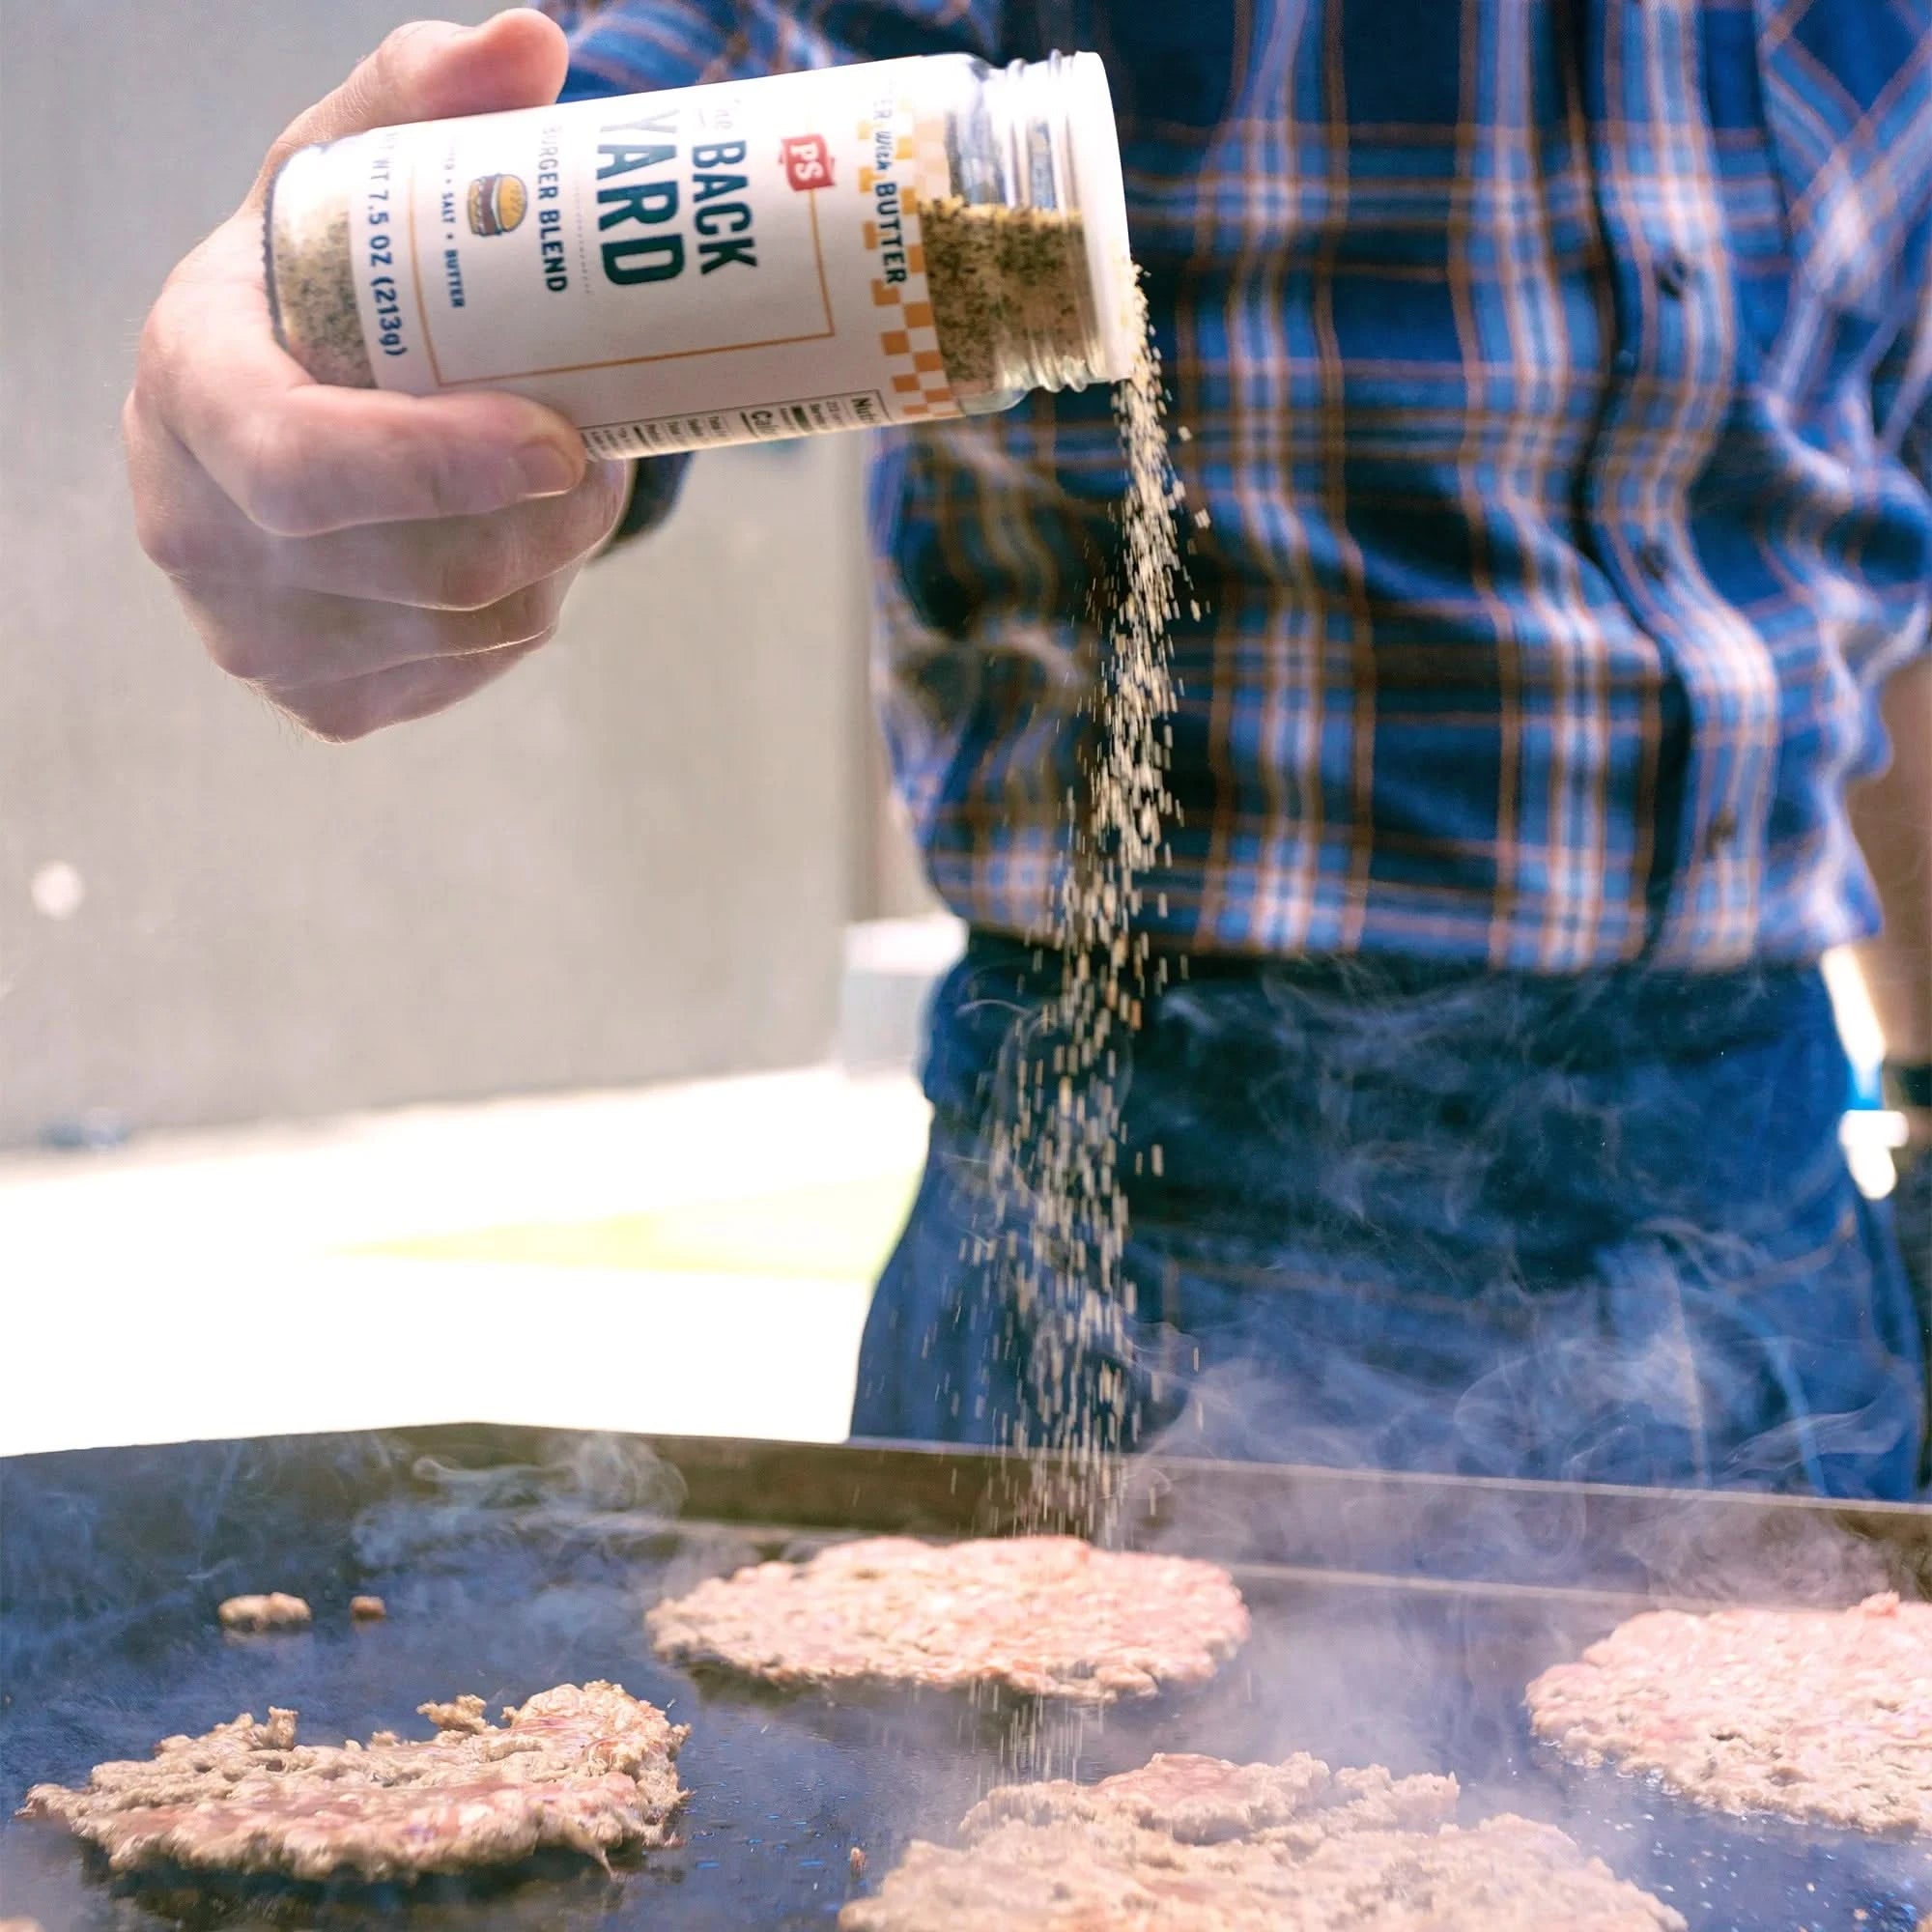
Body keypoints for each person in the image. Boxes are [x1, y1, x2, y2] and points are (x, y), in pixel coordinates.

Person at [126, 5, 1929, 1497]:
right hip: (1132, 1200)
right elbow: (693, 83)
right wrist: (339, 330)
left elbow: (1888, 585)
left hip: (1759, 1205)